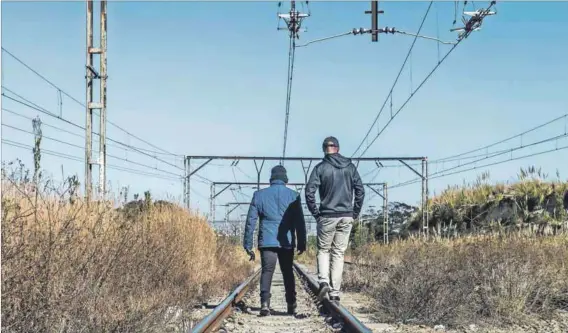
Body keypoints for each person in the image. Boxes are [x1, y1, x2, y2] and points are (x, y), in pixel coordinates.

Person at [305, 136, 365, 303]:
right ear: (337, 148)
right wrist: (355, 212)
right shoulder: (350, 167)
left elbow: (309, 192)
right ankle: (335, 292)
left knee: (324, 250)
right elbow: (360, 191)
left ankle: (323, 281)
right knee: (338, 253)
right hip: (346, 215)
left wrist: (316, 213)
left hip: (327, 215)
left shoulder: (320, 168)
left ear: (325, 149)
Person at [243, 165, 307, 316]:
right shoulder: (294, 196)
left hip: (267, 240)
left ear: (271, 178)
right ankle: (291, 304)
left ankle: (265, 304)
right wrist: (302, 242)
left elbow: (250, 221)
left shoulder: (259, 195)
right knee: (287, 272)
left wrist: (248, 244)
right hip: (287, 241)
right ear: (285, 179)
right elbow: (300, 222)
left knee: (267, 271)